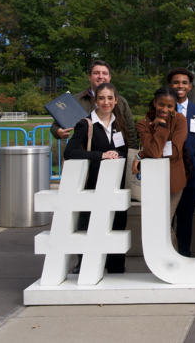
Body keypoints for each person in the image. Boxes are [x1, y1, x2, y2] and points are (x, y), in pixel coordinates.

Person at [63, 83, 130, 274]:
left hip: (116, 185)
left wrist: (120, 155)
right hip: (93, 185)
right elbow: (70, 152)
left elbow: (123, 149)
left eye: (110, 98)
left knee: (117, 226)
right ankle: (87, 266)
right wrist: (101, 155)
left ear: (116, 100)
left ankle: (116, 269)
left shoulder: (119, 123)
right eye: (102, 98)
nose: (106, 102)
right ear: (95, 101)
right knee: (91, 226)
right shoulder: (86, 124)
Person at [132, 86, 188, 251]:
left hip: (174, 182)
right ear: (154, 103)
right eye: (161, 104)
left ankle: (173, 260)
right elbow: (157, 152)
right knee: (157, 222)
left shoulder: (180, 120)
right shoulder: (142, 124)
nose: (165, 109)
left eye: (170, 106)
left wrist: (142, 153)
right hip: (153, 182)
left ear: (175, 106)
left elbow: (176, 151)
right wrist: (162, 129)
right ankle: (164, 259)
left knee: (164, 222)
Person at [166, 67, 195, 258]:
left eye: (184, 83)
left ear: (190, 86)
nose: (180, 86)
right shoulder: (162, 109)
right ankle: (166, 254)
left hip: (190, 176)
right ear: (170, 85)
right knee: (166, 219)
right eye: (176, 82)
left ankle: (183, 254)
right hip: (166, 174)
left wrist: (192, 169)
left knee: (185, 219)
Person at [51, 60, 136, 148]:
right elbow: (55, 126)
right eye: (96, 73)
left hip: (115, 156)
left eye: (104, 73)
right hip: (84, 155)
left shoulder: (121, 102)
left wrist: (129, 156)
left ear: (109, 77)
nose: (101, 76)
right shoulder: (75, 100)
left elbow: (130, 132)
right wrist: (58, 132)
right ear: (89, 77)